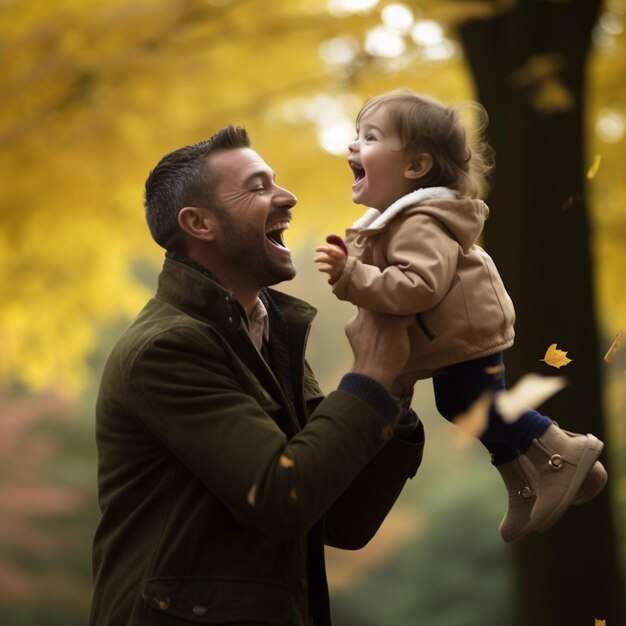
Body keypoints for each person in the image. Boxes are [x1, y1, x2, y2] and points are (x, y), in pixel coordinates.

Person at [89, 124, 426, 626]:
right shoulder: (167, 349)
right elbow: (282, 498)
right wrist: (370, 377)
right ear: (200, 223)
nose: (286, 196)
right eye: (258, 186)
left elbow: (341, 517)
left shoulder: (267, 333)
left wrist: (393, 395)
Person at [314, 88, 607, 543]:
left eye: (369, 137)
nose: (353, 146)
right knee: (458, 406)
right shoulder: (402, 220)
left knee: (484, 405)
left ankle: (564, 453)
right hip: (451, 336)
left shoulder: (420, 222)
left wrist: (352, 275)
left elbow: (417, 287)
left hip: (467, 332)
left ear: (416, 166)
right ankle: (526, 483)